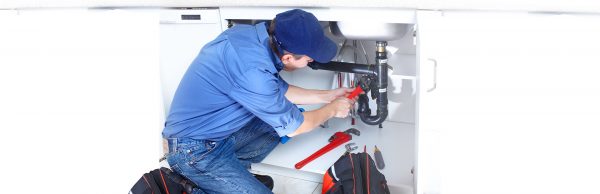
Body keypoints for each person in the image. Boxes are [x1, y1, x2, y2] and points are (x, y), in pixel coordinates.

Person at [162, 9, 356, 194]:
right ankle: (201, 183)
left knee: (281, 119)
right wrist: (331, 110)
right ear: (288, 57)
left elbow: (280, 91)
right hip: (193, 151)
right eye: (308, 60)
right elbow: (295, 127)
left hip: (215, 135)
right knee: (290, 121)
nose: (311, 63)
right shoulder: (253, 73)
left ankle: (230, 177)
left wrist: (328, 95)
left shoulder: (251, 37)